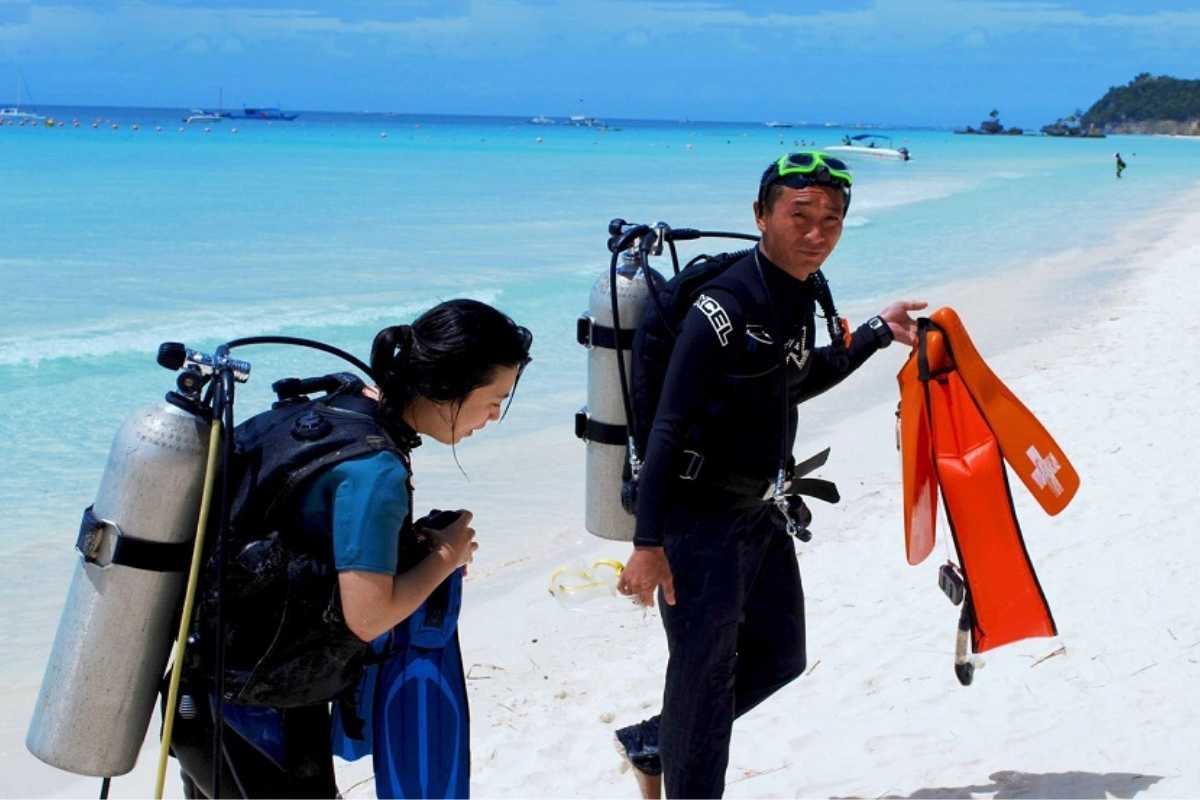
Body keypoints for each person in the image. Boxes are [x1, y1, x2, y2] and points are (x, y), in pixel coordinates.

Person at [613, 152, 926, 799]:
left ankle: (653, 740)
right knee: (703, 682)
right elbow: (666, 426)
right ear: (761, 216)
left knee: (780, 657)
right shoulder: (723, 306)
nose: (817, 233)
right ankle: (672, 753)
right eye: (799, 216)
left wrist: (873, 333)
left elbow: (791, 378)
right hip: (695, 520)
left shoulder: (796, 292)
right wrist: (647, 544)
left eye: (832, 220)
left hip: (759, 509)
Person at [169, 299, 532, 798]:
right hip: (258, 710)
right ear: (447, 386)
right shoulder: (375, 468)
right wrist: (448, 555)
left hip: (202, 688)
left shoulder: (336, 408)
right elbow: (368, 616)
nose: (494, 416)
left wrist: (414, 547)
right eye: (495, 398)